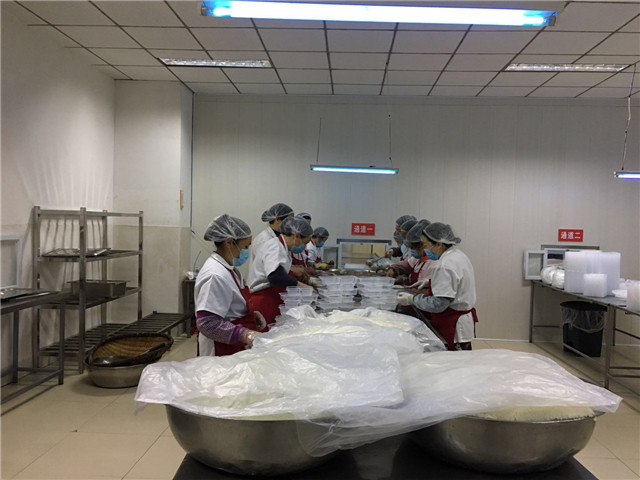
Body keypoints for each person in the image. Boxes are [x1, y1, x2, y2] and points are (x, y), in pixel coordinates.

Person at [396, 222, 478, 351]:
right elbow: (457, 282)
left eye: (426, 245)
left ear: (439, 244)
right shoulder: (458, 256)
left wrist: (412, 299)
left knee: (450, 360)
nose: (425, 249)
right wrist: (430, 282)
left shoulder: (445, 265)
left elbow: (439, 304)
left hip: (451, 325)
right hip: (461, 321)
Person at [194, 214, 267, 356]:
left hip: (233, 346)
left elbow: (231, 304)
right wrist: (245, 334)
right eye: (245, 246)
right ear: (229, 242)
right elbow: (207, 324)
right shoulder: (215, 275)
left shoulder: (229, 269)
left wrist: (250, 314)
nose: (246, 251)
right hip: (220, 349)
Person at [248, 216, 315, 325]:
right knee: (267, 333)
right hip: (264, 300)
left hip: (273, 297)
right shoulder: (274, 246)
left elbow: (280, 270)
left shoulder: (284, 248)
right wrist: (303, 286)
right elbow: (275, 276)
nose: (304, 247)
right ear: (296, 236)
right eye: (304, 243)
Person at [387, 220, 436, 286]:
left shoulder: (433, 263)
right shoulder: (419, 257)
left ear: (423, 245)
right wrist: (394, 268)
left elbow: (427, 287)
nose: (412, 250)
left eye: (414, 247)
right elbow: (407, 264)